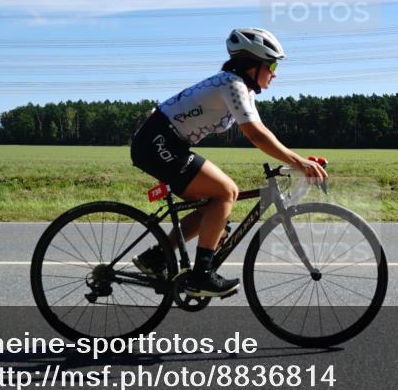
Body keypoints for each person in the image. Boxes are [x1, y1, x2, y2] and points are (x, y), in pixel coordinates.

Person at [129, 27, 328, 298]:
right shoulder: (231, 85)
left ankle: (155, 257)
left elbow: (262, 131)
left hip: (166, 142)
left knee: (213, 206)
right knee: (227, 192)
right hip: (158, 142)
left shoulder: (242, 88)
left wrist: (294, 162)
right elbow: (255, 135)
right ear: (252, 65)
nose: (275, 72)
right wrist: (300, 162)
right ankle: (202, 275)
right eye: (271, 65)